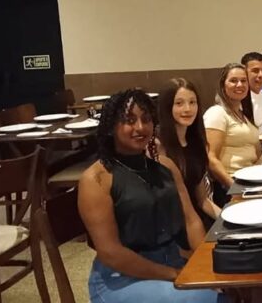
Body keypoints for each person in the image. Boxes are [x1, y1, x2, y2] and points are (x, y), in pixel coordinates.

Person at [78, 89, 222, 303]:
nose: (140, 127)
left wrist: (204, 262)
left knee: (234, 284)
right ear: (110, 127)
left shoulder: (166, 166)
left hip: (173, 261)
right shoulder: (96, 179)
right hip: (121, 278)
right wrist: (174, 274)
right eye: (129, 120)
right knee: (203, 298)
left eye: (146, 120)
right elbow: (111, 252)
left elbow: (190, 220)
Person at [157, 78, 220, 227]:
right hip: (171, 225)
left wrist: (227, 219)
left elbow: (203, 201)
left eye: (192, 102)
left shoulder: (196, 142)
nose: (188, 109)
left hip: (197, 220)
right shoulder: (157, 145)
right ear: (167, 107)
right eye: (179, 103)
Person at [203, 63, 261, 191]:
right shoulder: (217, 113)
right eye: (233, 81)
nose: (239, 85)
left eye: (243, 81)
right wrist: (236, 189)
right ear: (223, 86)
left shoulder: (243, 114)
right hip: (231, 183)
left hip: (251, 179)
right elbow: (211, 159)